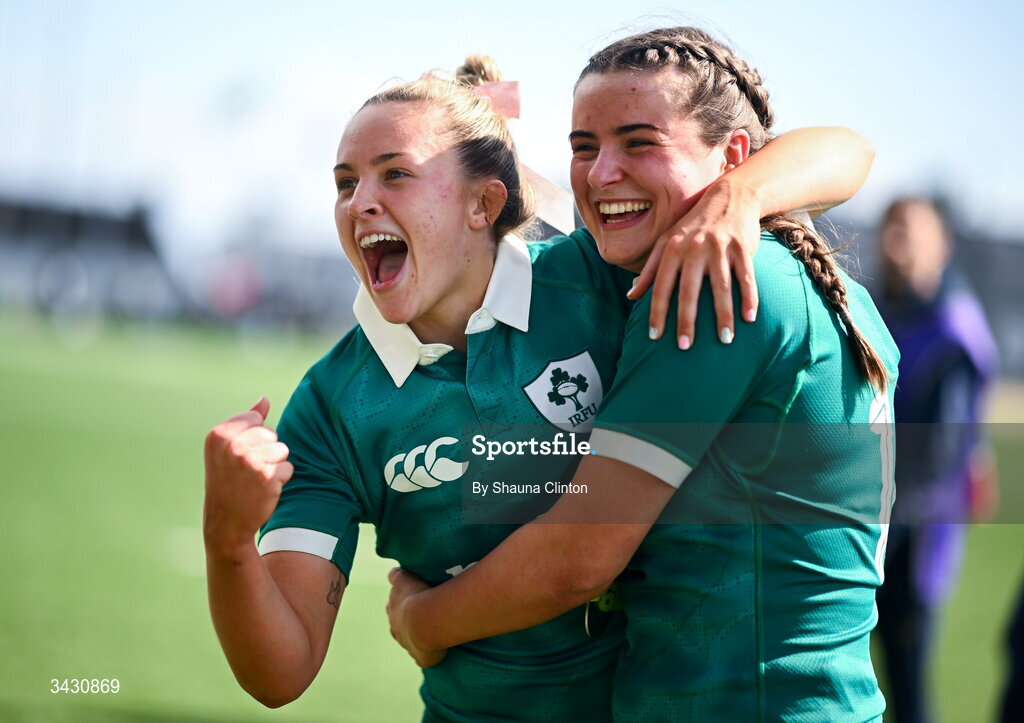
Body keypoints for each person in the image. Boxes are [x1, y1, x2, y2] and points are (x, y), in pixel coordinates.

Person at [203, 52, 875, 719]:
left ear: (482, 202)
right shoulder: (329, 406)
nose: (361, 202)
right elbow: (280, 672)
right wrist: (229, 539)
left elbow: (847, 152)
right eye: (345, 183)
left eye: (396, 175)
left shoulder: (606, 276)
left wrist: (738, 193)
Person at [386, 27, 899, 721]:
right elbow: (851, 148)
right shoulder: (820, 278)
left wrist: (423, 619)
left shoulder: (717, 286)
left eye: (640, 141)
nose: (601, 173)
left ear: (734, 157)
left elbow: (578, 554)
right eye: (583, 147)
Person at [872, 198, 998, 723]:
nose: (901, 246)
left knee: (907, 679)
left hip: (914, 531)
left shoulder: (953, 330)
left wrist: (887, 523)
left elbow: (944, 455)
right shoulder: (876, 310)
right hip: (873, 517)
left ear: (941, 245)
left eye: (914, 234)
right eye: (893, 231)